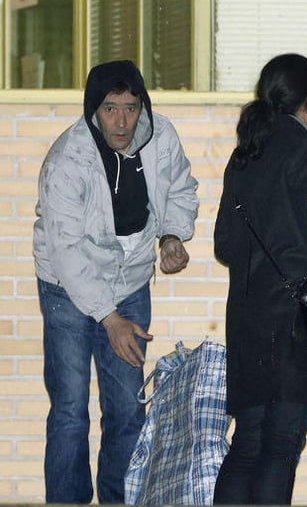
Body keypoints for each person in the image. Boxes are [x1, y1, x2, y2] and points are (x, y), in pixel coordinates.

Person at [33, 59, 199, 504]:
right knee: (70, 410)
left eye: (130, 107)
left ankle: (119, 500)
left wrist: (170, 236)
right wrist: (110, 318)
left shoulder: (161, 136)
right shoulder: (68, 158)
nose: (122, 121)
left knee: (127, 410)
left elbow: (181, 188)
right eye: (110, 108)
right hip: (67, 289)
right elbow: (66, 252)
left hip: (129, 283)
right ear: (93, 110)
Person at [213, 53, 307, 505]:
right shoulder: (306, 146)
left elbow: (225, 244)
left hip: (248, 317)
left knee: (247, 445)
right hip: (296, 319)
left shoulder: (244, 153)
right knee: (281, 448)